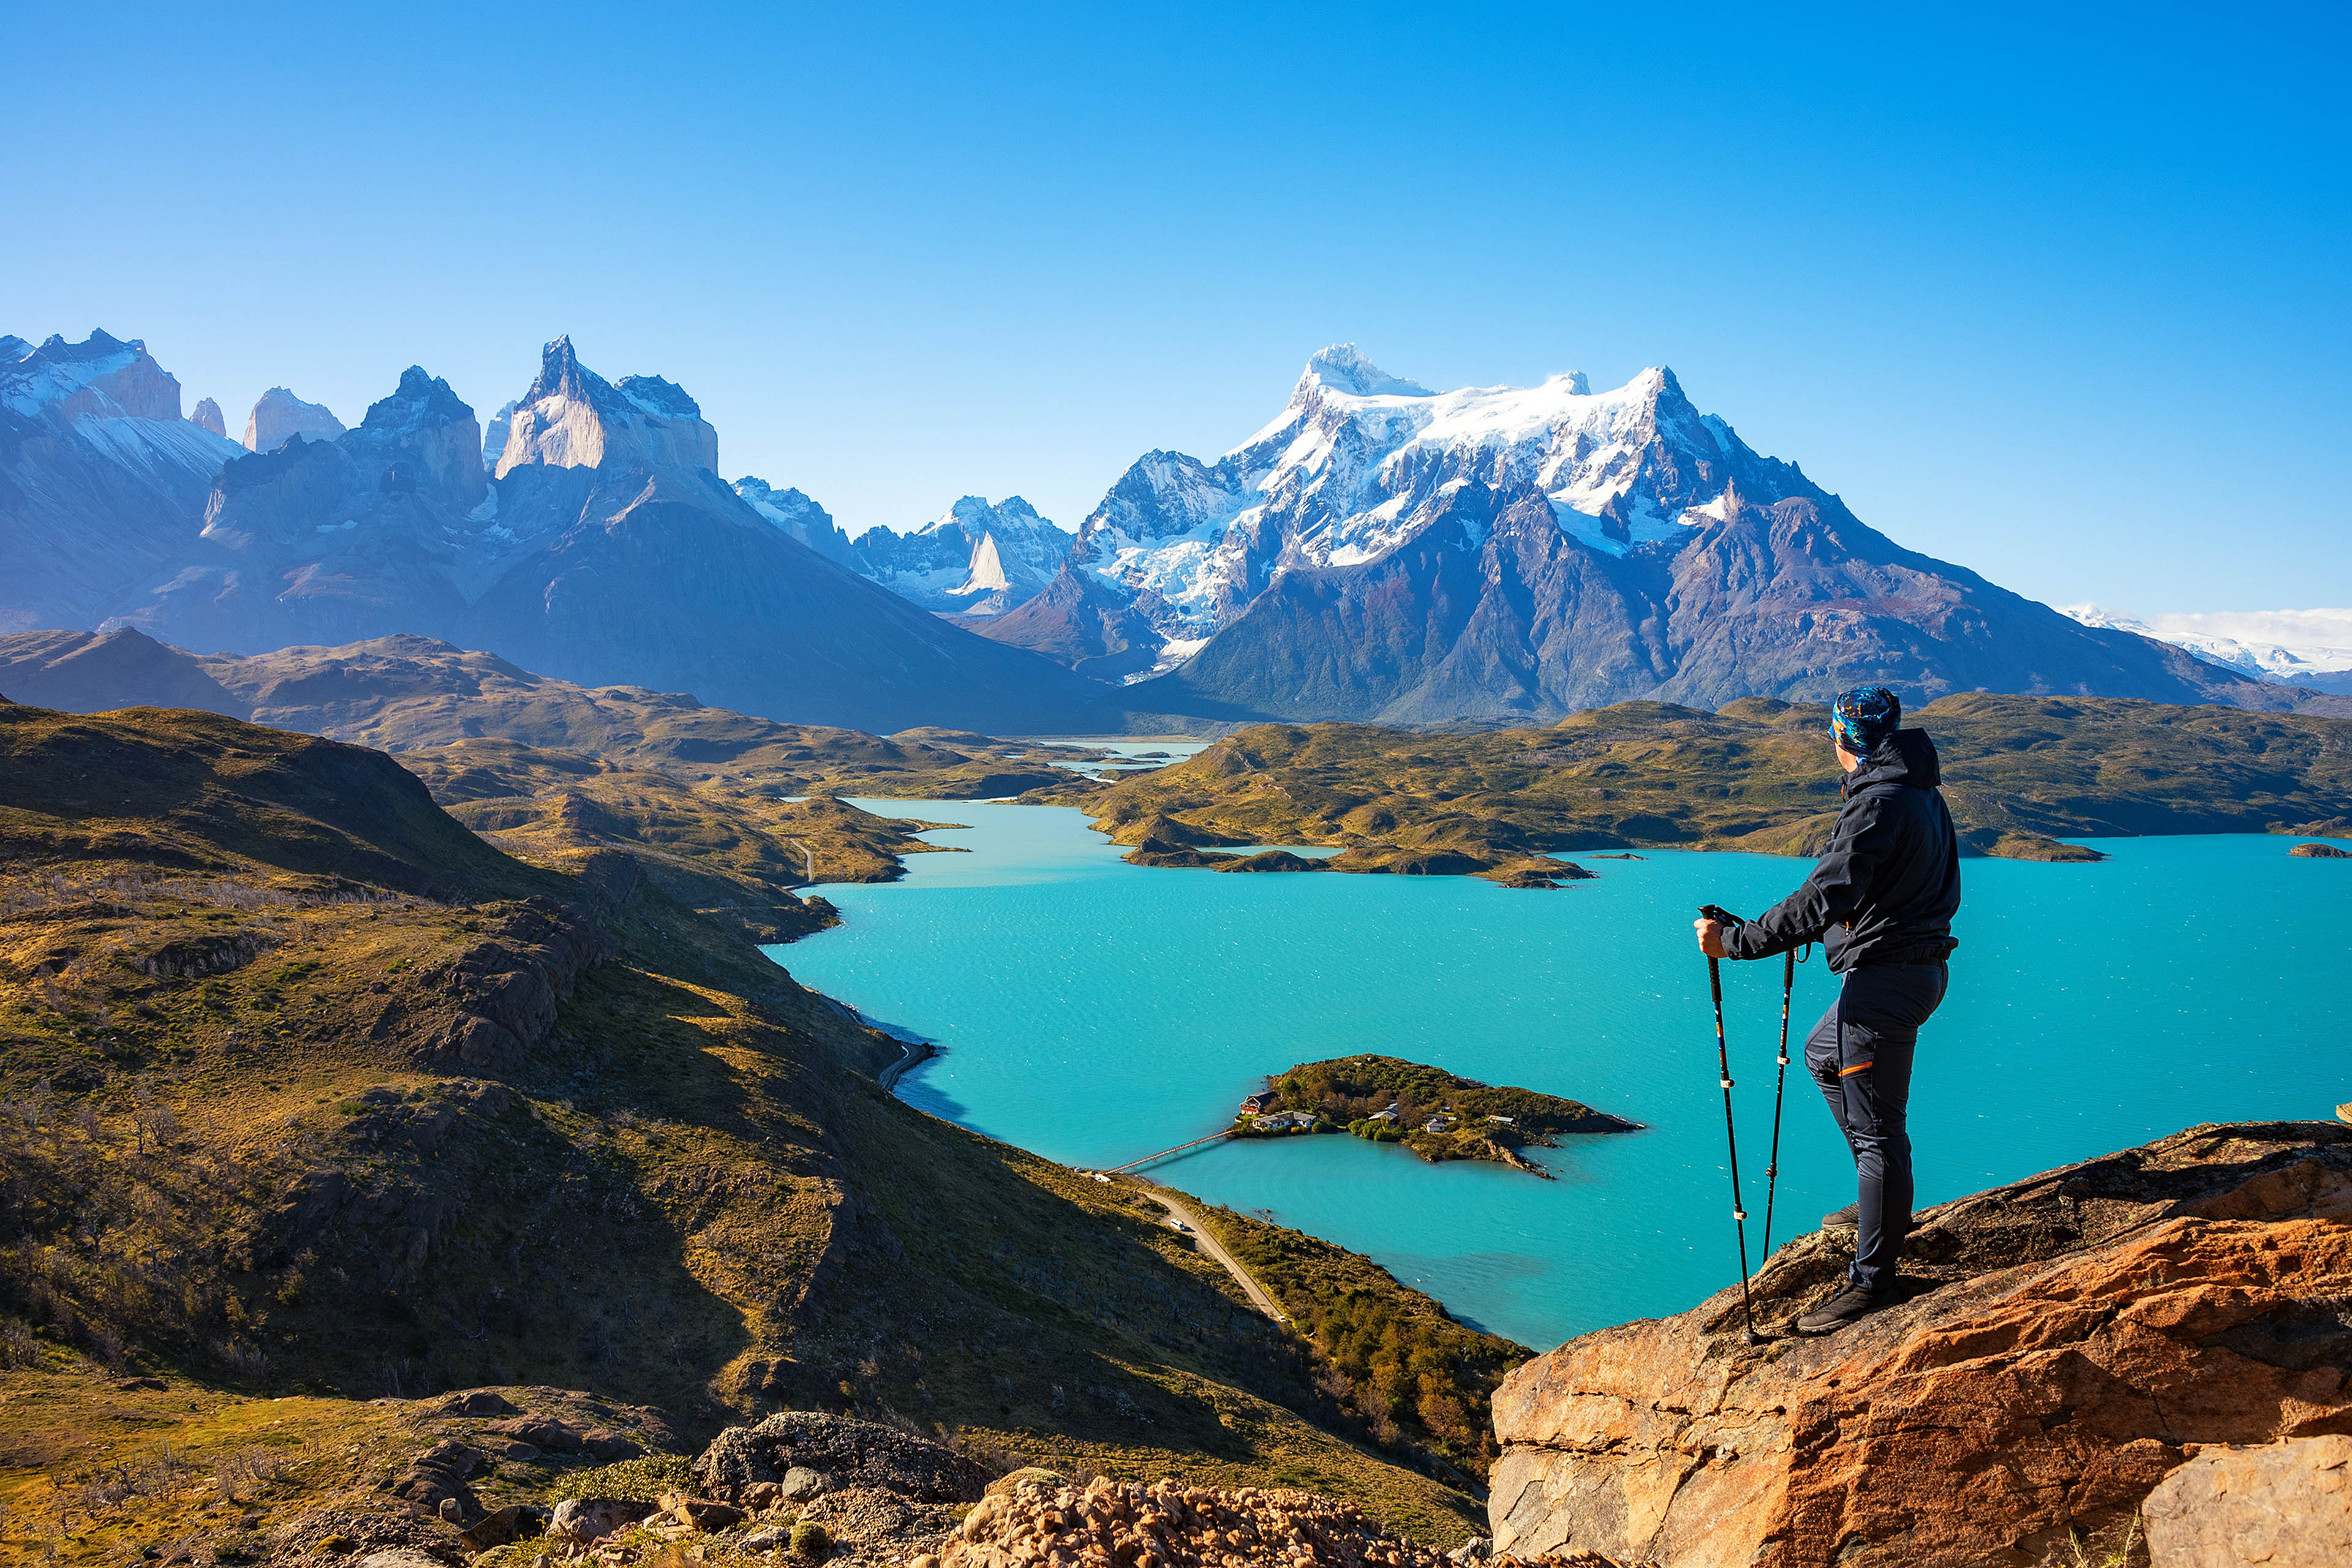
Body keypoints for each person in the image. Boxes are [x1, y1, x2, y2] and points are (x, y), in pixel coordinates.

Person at [1694, 685, 1961, 1334]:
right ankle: (1881, 1203)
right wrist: (1809, 930)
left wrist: (1737, 942)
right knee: (1821, 1054)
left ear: (1842, 738)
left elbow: (1826, 895)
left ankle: (1874, 1283)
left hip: (1884, 986)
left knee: (1878, 1134)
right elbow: (1868, 895)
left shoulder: (1878, 802)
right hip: (1910, 972)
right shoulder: (1921, 793)